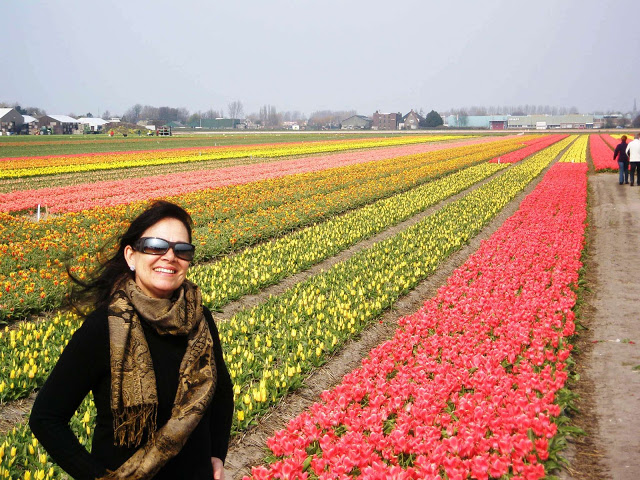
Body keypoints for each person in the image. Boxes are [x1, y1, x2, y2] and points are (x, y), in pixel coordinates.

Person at [30, 201, 234, 480]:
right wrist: (96, 476)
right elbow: (46, 417)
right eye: (155, 246)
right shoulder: (104, 327)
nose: (170, 256)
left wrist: (217, 455)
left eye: (182, 250)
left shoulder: (200, 320)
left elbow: (221, 392)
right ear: (131, 256)